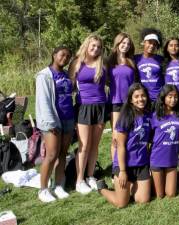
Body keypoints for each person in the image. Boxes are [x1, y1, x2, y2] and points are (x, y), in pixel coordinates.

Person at [97, 83, 152, 208]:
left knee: (143, 200)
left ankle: (131, 186)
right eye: (136, 96)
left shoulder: (148, 115)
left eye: (143, 95)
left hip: (142, 165)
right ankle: (102, 189)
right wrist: (122, 171)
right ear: (131, 100)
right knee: (121, 203)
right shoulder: (126, 116)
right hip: (125, 165)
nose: (140, 99)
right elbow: (120, 145)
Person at [69, 34, 106, 194]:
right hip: (83, 106)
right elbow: (68, 86)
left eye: (98, 47)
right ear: (87, 45)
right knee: (84, 145)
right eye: (93, 46)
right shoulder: (76, 63)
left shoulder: (102, 64)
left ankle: (90, 176)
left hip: (100, 106)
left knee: (95, 145)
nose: (95, 49)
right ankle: (79, 180)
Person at [36, 46, 74, 202]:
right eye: (62, 55)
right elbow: (43, 101)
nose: (64, 58)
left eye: (67, 56)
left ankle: (58, 185)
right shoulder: (44, 75)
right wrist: (50, 121)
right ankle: (43, 189)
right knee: (51, 155)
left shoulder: (66, 75)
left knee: (63, 153)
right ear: (54, 55)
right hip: (53, 120)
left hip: (68, 118)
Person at [151, 85, 179, 198]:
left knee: (171, 194)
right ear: (163, 97)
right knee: (160, 195)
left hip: (172, 160)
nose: (173, 99)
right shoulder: (155, 116)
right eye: (170, 96)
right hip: (157, 159)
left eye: (175, 97)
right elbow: (149, 136)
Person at [106, 32, 136, 161]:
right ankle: (115, 167)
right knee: (116, 135)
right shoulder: (109, 62)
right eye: (123, 43)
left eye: (128, 44)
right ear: (117, 44)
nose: (126, 46)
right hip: (115, 102)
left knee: (129, 134)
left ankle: (127, 163)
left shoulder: (131, 62)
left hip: (130, 103)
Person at [134, 28, 164, 103]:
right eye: (149, 42)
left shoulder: (161, 59)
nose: (152, 45)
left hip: (158, 99)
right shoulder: (135, 59)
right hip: (142, 99)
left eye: (154, 44)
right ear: (144, 42)